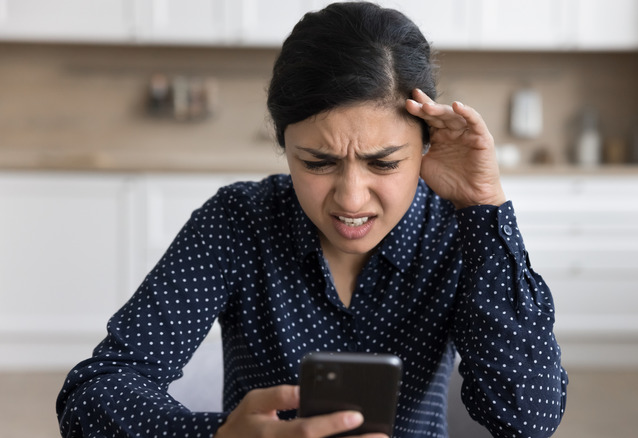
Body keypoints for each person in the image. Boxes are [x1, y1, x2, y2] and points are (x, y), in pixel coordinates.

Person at [56, 2, 567, 437]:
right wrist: (211, 434)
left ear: (427, 145)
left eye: (384, 163)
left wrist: (484, 206)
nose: (350, 199)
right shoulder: (238, 221)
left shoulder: (460, 231)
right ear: (284, 146)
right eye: (317, 163)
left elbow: (528, 419)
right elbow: (93, 391)